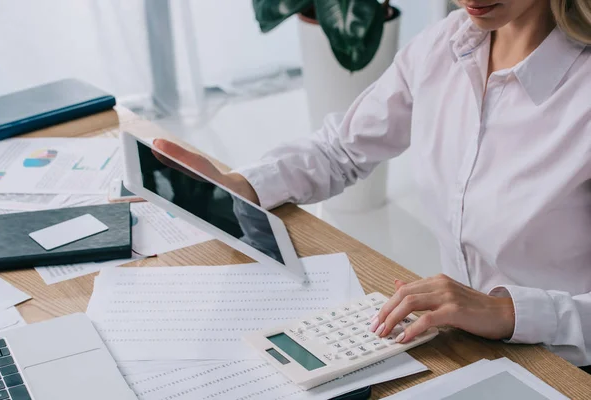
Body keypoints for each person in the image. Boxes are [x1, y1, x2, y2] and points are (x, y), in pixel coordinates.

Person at [154, 0, 591, 367]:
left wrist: (507, 311)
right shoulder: (449, 43)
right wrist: (241, 185)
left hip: (564, 364)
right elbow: (341, 148)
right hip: (459, 347)